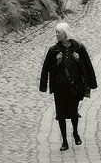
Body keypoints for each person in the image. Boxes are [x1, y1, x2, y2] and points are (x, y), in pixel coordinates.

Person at [39, 22, 97, 151]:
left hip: (74, 86)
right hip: (59, 87)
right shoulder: (53, 50)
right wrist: (57, 62)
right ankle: (64, 141)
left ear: (65, 33)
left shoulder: (78, 48)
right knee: (60, 114)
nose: (56, 35)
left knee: (73, 112)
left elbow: (87, 66)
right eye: (56, 32)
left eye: (58, 32)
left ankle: (75, 133)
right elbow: (46, 69)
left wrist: (78, 60)